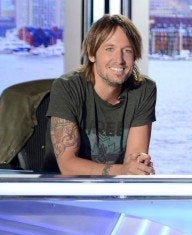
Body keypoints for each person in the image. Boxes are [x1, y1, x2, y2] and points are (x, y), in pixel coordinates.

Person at [47, 14, 156, 176]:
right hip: (64, 190)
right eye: (109, 49)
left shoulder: (144, 89)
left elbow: (133, 163)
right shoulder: (67, 87)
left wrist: (138, 167)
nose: (119, 59)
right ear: (92, 54)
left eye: (127, 50)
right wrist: (123, 170)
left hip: (113, 191)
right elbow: (68, 166)